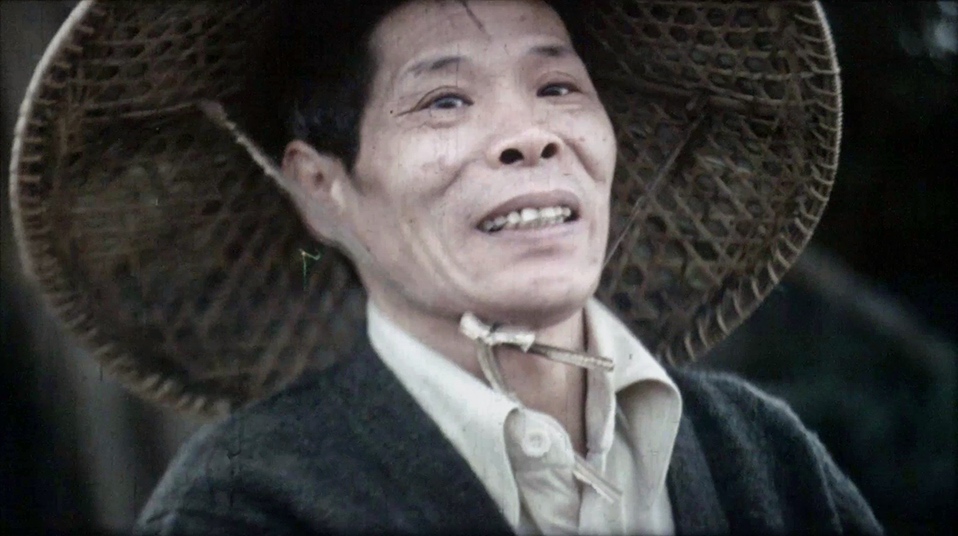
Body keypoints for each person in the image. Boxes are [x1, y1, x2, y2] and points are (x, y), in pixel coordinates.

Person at [8, 0, 882, 534]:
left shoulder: (761, 458)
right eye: (445, 100)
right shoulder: (245, 506)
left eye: (557, 87)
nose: (530, 135)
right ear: (322, 189)